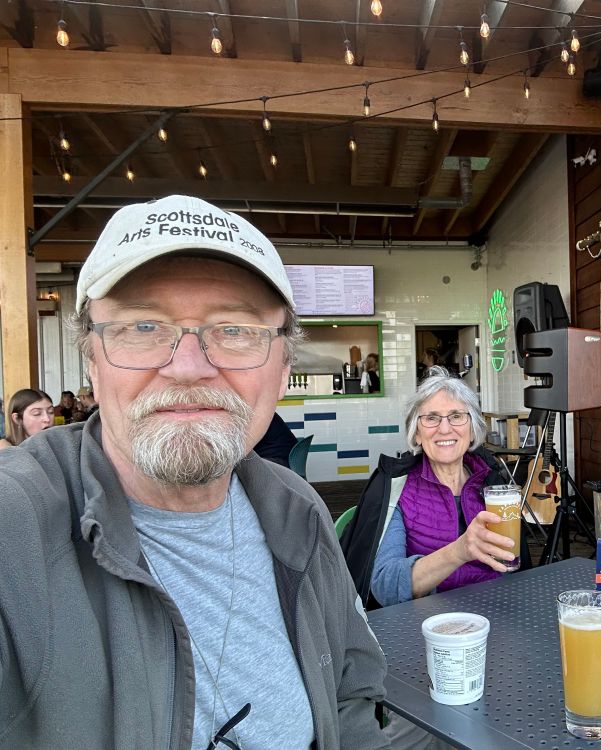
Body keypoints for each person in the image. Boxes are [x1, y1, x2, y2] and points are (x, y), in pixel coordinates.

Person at [0, 195, 388, 749]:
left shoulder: (298, 509)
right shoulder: (14, 527)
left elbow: (352, 696)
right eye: (142, 326)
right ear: (92, 361)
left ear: (282, 373)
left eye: (234, 329)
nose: (187, 367)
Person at [341, 365, 524, 749]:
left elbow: (514, 566)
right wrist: (460, 551)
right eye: (431, 418)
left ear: (472, 428)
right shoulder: (397, 488)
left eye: (456, 416)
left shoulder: (494, 481)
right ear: (416, 431)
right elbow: (386, 585)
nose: (445, 428)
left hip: (498, 633)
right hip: (421, 643)